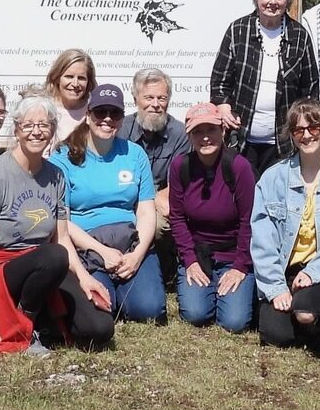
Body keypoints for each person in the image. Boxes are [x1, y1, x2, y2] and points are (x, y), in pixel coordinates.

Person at [0, 96, 116, 354]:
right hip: (3, 267)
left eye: (44, 125)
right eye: (28, 125)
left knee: (99, 330)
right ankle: (28, 323)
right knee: (54, 256)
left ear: (52, 130)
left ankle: (45, 321)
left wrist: (84, 277)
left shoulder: (56, 175)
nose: (36, 132)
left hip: (45, 266)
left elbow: (62, 237)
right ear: (16, 129)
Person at [51, 83, 165, 323]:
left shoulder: (134, 154)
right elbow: (63, 221)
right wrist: (100, 251)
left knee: (148, 310)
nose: (107, 119)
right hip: (88, 244)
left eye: (114, 113)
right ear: (87, 115)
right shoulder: (64, 156)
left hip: (129, 242)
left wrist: (136, 255)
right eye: (100, 112)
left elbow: (145, 211)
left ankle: (130, 287)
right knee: (102, 309)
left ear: (122, 118)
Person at [251, 99, 320, 351]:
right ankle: (305, 317)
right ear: (291, 135)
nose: (307, 135)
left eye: (314, 128)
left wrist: (313, 272)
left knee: (304, 312)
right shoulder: (272, 178)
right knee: (277, 336)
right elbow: (262, 239)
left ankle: (316, 320)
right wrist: (277, 288)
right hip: (284, 270)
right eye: (299, 130)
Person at [211, 0, 320, 171]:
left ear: (287, 0)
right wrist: (224, 107)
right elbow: (219, 82)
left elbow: (310, 89)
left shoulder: (299, 35)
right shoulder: (238, 30)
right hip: (241, 138)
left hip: (283, 142)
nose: (272, 1)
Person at [169, 103, 256, 333]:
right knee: (196, 314)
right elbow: (177, 218)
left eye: (211, 130)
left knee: (234, 323)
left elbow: (249, 221)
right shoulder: (180, 166)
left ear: (223, 131)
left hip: (233, 254)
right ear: (188, 135)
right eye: (198, 131)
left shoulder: (239, 167)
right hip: (199, 254)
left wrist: (240, 266)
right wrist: (190, 260)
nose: (205, 138)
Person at [118, 68, 191, 230]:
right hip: (124, 193)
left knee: (157, 225)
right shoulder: (120, 129)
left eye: (162, 98)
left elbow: (178, 181)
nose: (156, 104)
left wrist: (156, 197)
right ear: (135, 99)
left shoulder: (180, 133)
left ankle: (164, 256)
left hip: (161, 195)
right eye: (149, 98)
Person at [43, 48, 98, 141]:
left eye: (81, 78)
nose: (75, 84)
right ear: (57, 77)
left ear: (89, 81)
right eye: (69, 77)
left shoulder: (95, 111)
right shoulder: (44, 108)